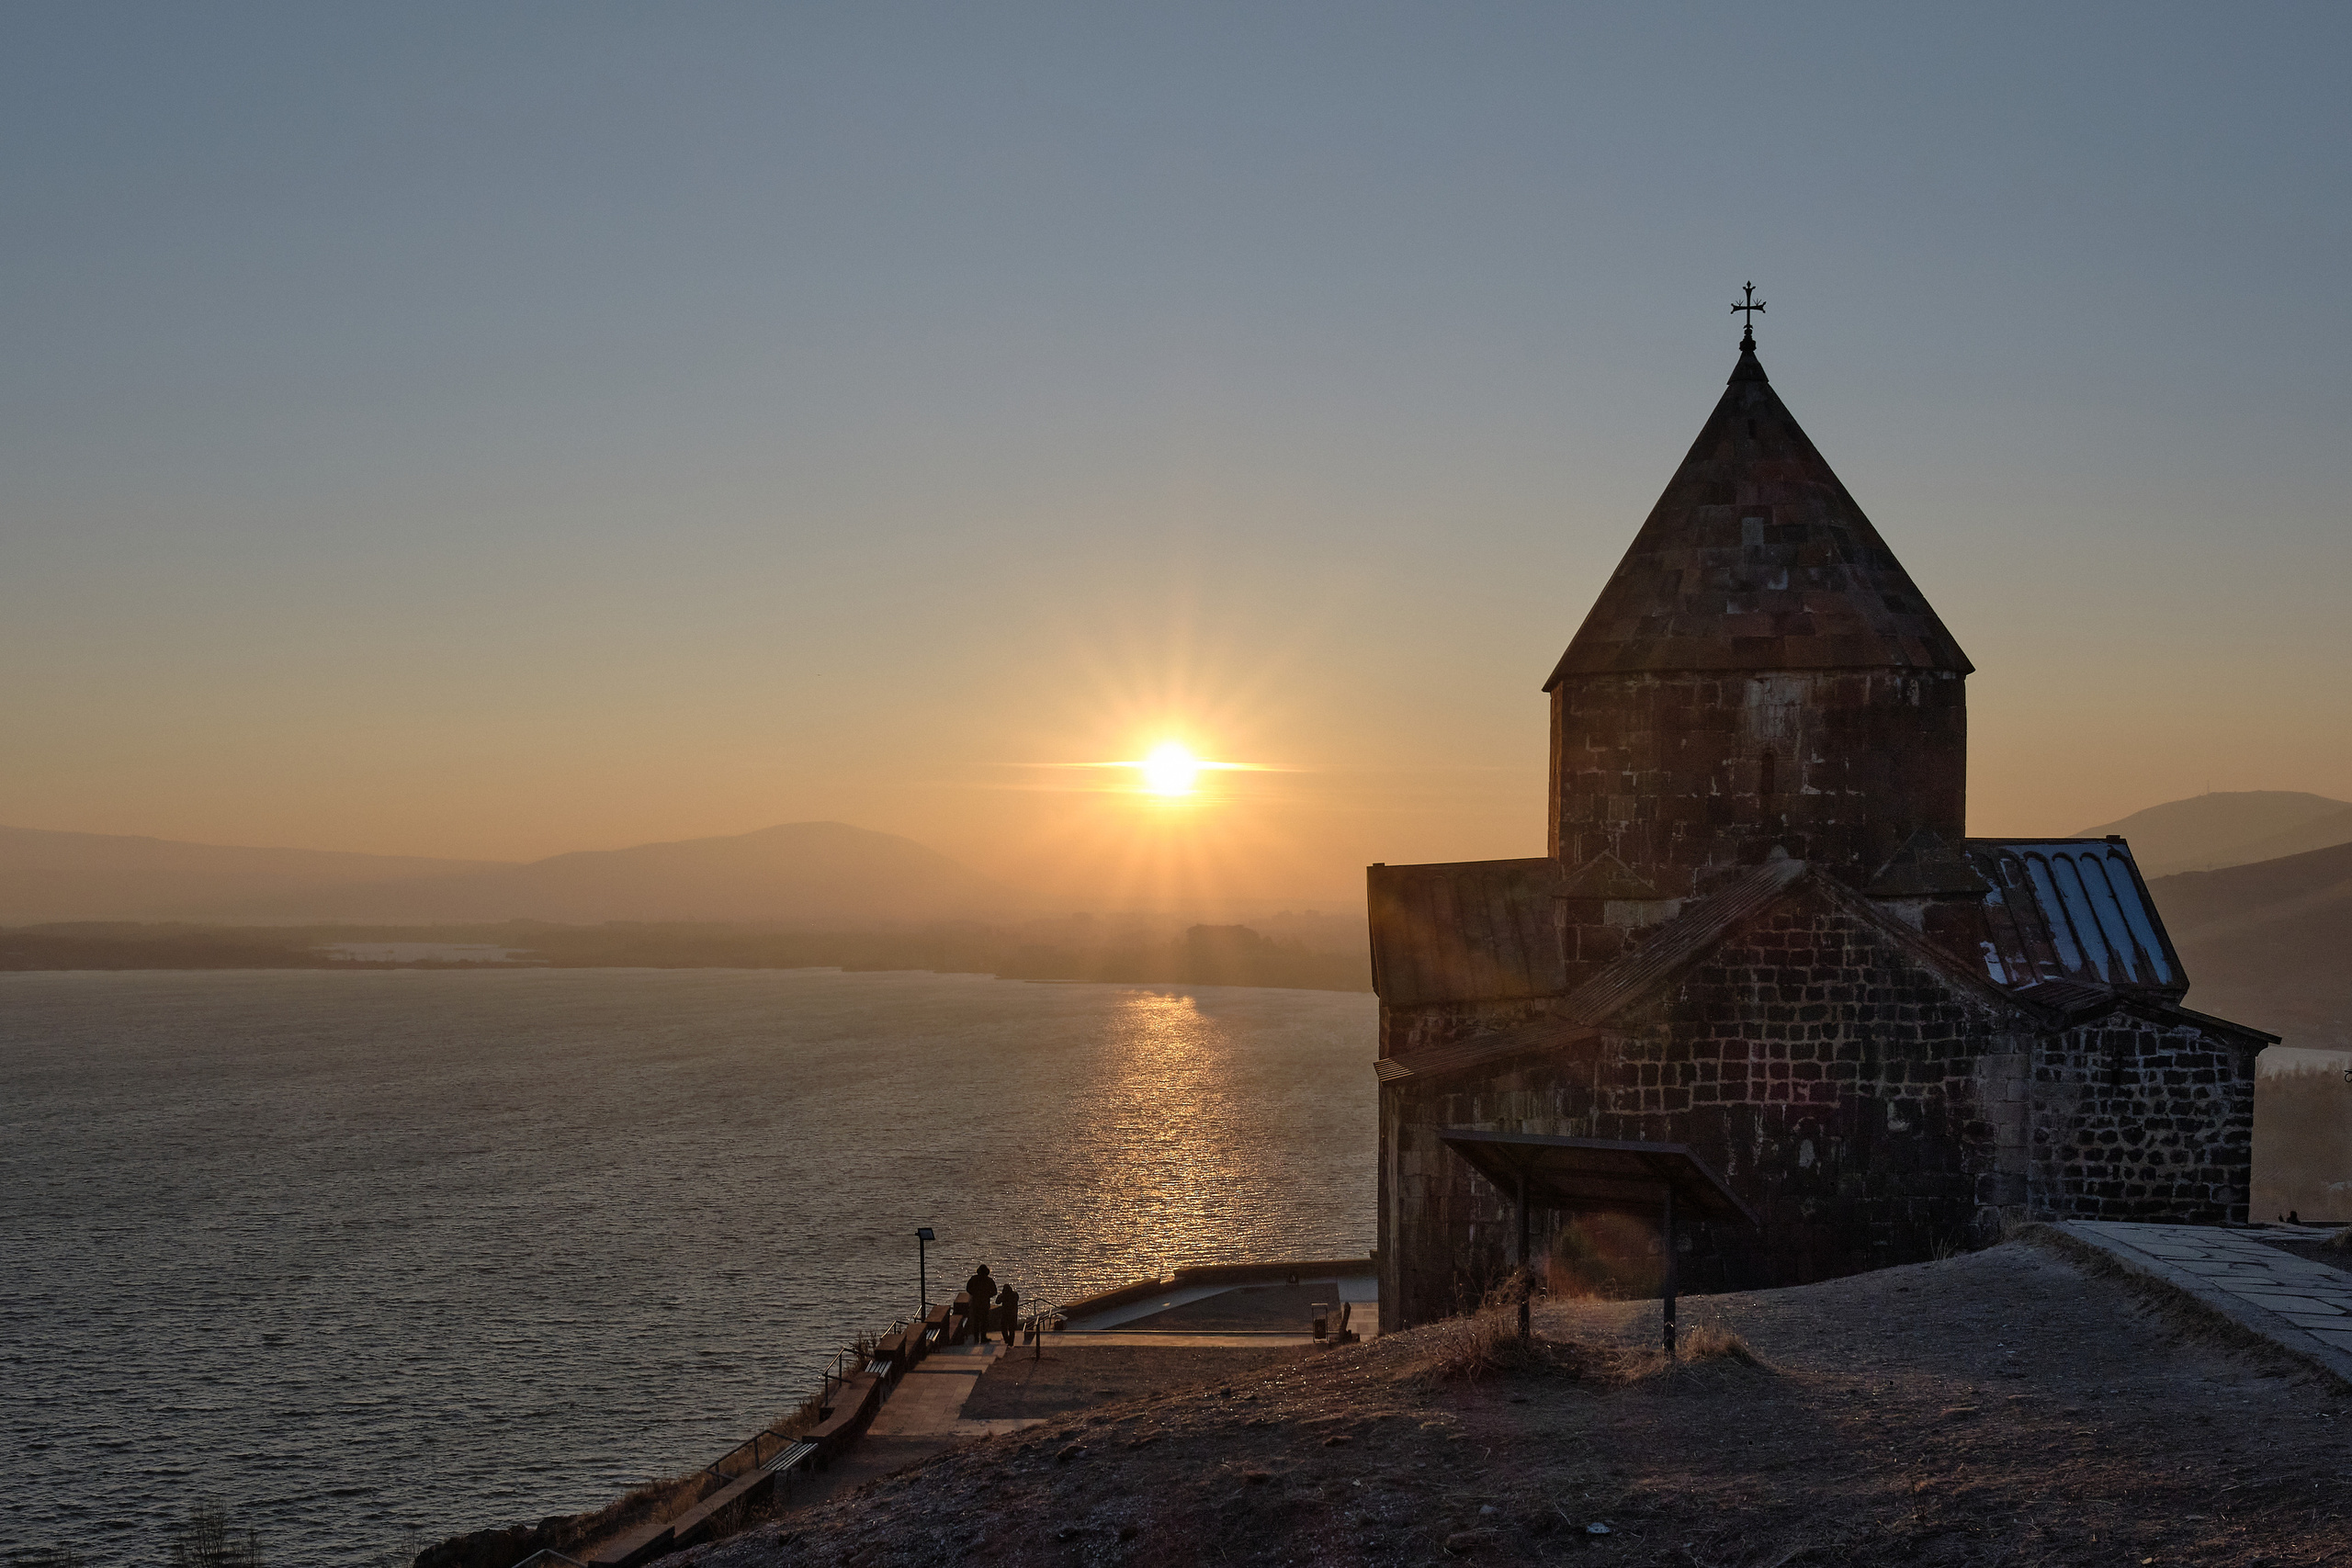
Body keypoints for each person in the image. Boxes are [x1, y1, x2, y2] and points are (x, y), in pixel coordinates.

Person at [963, 1265, 995, 1347]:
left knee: (976, 1321)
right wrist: (987, 1295)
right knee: (984, 1321)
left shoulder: (974, 1279)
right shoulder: (989, 1280)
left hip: (976, 1303)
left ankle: (976, 1338)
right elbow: (994, 1291)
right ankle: (983, 1338)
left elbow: (968, 1289)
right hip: (984, 1303)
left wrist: (975, 1294)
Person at [997, 1282, 1021, 1346]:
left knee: (1004, 1328)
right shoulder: (1014, 1295)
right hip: (1012, 1314)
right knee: (1011, 1329)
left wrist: (1002, 1295)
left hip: (1005, 1314)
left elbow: (997, 1302)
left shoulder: (1004, 1296)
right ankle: (1010, 1342)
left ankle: (1007, 1340)